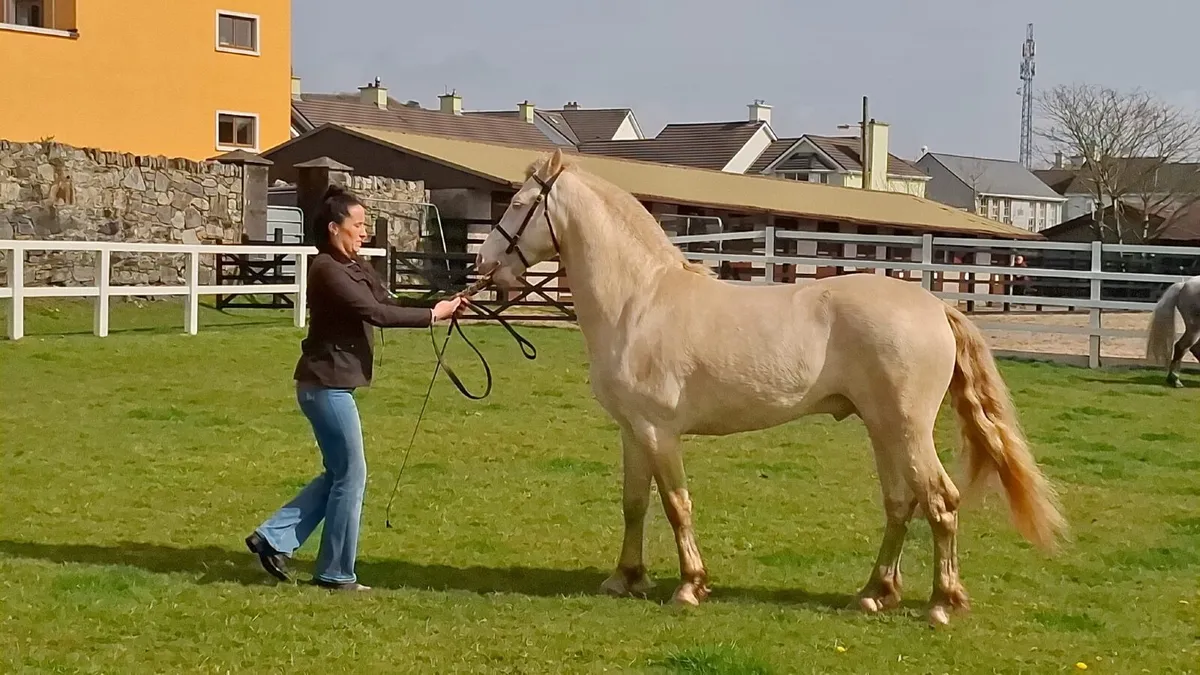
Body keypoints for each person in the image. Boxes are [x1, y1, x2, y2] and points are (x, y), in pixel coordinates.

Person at [245, 184, 466, 591]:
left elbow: (391, 301)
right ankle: (334, 573)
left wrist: (445, 303)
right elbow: (375, 313)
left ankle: (272, 538)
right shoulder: (327, 270)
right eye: (358, 225)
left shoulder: (354, 267)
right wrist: (433, 316)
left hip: (329, 386)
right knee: (352, 475)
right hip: (324, 386)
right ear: (334, 229)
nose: (364, 232)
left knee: (339, 474)